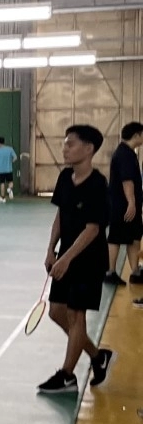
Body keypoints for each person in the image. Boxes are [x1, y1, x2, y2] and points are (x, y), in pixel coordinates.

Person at [37, 124, 113, 394]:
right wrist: (51, 249)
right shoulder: (64, 178)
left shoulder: (98, 184)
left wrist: (66, 259)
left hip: (89, 259)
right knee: (56, 312)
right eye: (64, 143)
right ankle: (97, 355)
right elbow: (60, 216)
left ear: (89, 148)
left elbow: (93, 229)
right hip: (65, 255)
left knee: (75, 315)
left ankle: (67, 376)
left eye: (71, 143)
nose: (64, 148)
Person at [106, 122, 143, 286]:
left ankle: (135, 271)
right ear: (136, 135)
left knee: (134, 236)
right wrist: (131, 203)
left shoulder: (129, 153)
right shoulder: (124, 155)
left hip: (128, 204)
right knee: (116, 237)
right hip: (123, 205)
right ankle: (110, 272)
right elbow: (127, 181)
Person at [0, 137, 18, 202]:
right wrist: (11, 162)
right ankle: (9, 189)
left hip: (0, 170)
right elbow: (15, 157)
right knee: (10, 182)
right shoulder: (10, 149)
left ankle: (2, 198)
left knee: (2, 183)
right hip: (9, 169)